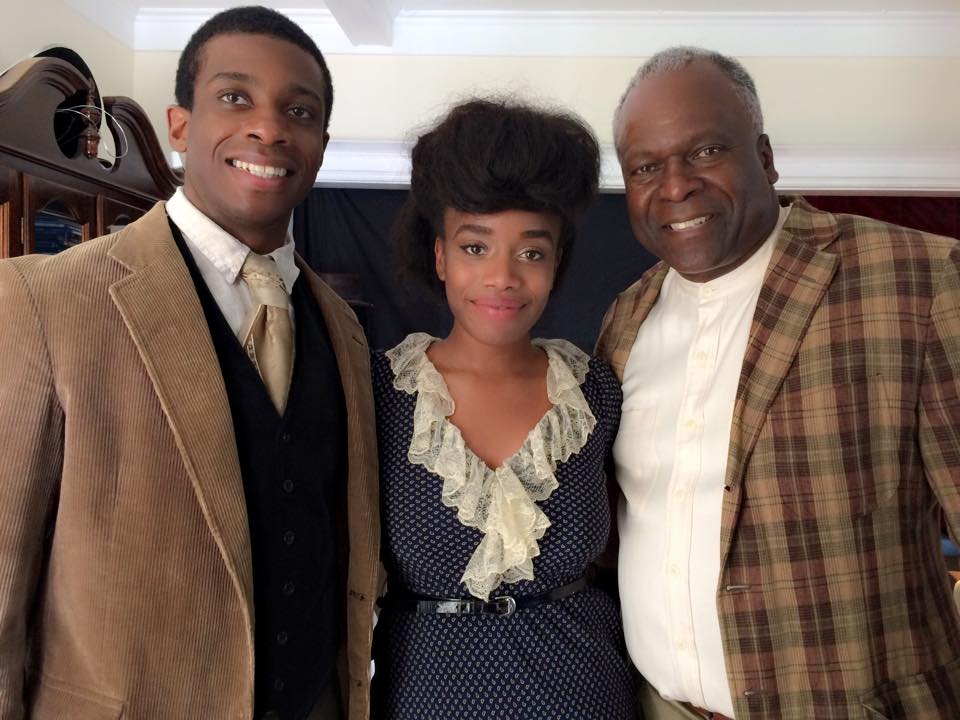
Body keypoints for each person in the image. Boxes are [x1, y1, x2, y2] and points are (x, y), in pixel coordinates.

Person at [0, 7, 379, 719]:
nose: (269, 127)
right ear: (179, 125)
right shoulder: (44, 301)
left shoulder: (345, 329)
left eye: (299, 111)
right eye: (235, 97)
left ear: (322, 146)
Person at [598, 45, 960, 720]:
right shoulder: (626, 320)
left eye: (706, 151)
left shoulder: (916, 279)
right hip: (659, 707)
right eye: (646, 167)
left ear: (764, 158)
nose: (675, 186)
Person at [370, 98, 635, 719]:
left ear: (556, 264)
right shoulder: (378, 390)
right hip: (424, 697)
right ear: (440, 256)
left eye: (531, 252)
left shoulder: (595, 392)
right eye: (475, 247)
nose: (503, 277)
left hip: (583, 693)